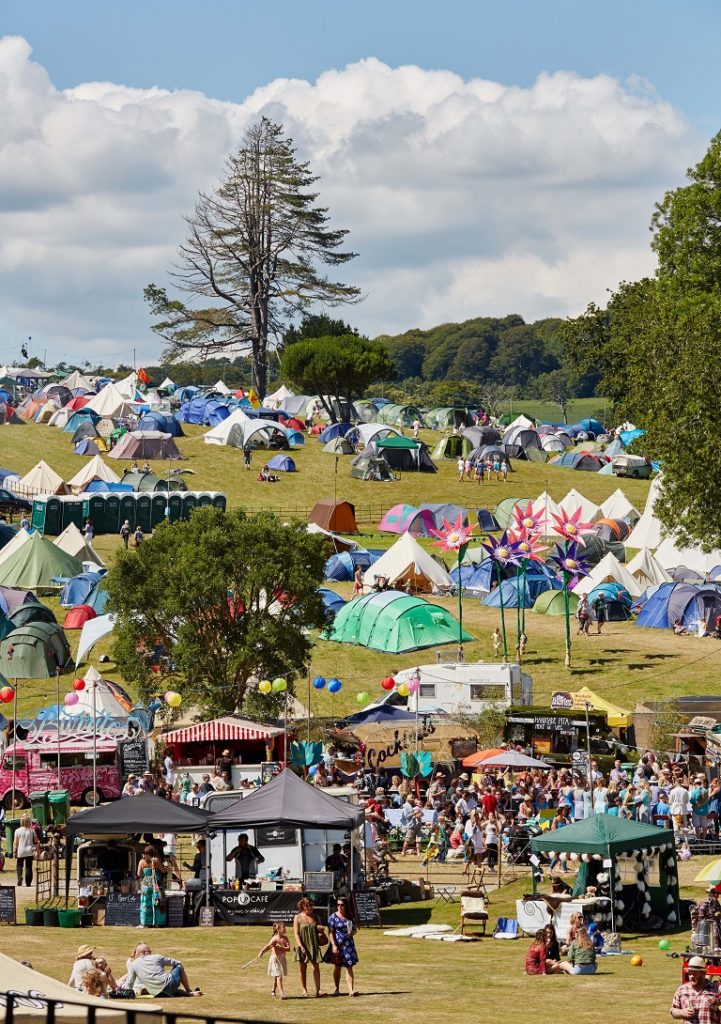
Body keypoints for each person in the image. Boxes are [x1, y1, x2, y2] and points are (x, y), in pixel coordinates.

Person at [122, 942, 202, 998]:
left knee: (164, 985)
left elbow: (129, 983)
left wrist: (125, 992)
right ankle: (188, 990)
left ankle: (189, 994)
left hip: (155, 992)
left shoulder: (133, 964)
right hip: (168, 986)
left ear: (138, 953)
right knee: (179, 966)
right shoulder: (157, 957)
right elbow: (177, 962)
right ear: (145, 952)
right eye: (150, 951)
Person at [293, 897, 327, 998]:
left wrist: (320, 929)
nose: (312, 907)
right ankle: (304, 990)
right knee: (303, 969)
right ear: (304, 906)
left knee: (316, 967)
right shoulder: (297, 917)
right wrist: (300, 946)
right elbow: (296, 934)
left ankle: (318, 990)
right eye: (309, 905)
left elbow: (320, 927)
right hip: (302, 944)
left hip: (313, 944)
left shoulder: (316, 916)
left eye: (312, 905)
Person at [671, 956, 720, 1022]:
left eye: (694, 974)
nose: (691, 977)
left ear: (703, 973)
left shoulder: (716, 989)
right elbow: (673, 1011)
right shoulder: (681, 990)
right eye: (689, 973)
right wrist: (681, 1012)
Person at [327, 897, 359, 996]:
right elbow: (330, 933)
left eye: (342, 905)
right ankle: (337, 988)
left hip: (348, 945)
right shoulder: (332, 917)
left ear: (346, 905)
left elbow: (355, 930)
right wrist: (333, 945)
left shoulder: (350, 917)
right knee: (337, 967)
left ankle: (351, 991)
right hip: (337, 945)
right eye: (338, 905)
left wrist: (352, 933)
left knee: (349, 967)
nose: (340, 907)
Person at [257, 922, 290, 999]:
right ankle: (282, 994)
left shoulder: (285, 938)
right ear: (278, 929)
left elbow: (288, 949)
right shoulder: (274, 938)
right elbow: (268, 946)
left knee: (277, 977)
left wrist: (281, 947)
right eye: (283, 927)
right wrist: (261, 952)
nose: (285, 928)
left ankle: (273, 990)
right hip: (275, 959)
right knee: (279, 976)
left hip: (282, 958)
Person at [137, 845, 167, 927]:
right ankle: (159, 923)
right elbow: (163, 871)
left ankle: (146, 922)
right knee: (158, 902)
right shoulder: (156, 860)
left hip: (146, 885)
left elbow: (139, 874)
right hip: (156, 884)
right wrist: (166, 868)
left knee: (145, 904)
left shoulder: (141, 862)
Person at [13, 813, 36, 886]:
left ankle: (20, 877)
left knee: (19, 865)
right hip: (29, 850)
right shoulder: (31, 830)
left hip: (21, 850)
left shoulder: (17, 831)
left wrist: (14, 851)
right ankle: (28, 883)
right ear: (29, 822)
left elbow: (15, 843)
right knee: (29, 866)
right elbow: (35, 840)